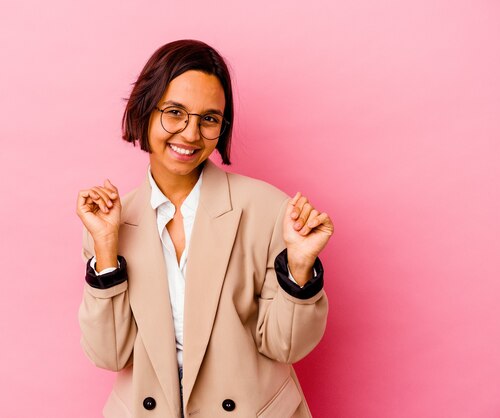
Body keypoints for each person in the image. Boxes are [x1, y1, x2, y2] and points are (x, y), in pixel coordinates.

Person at [76, 39, 333, 418]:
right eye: (175, 112)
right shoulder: (110, 223)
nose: (191, 134)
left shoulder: (267, 209)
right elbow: (109, 353)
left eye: (209, 119)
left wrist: (298, 269)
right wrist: (105, 248)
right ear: (145, 109)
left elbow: (285, 348)